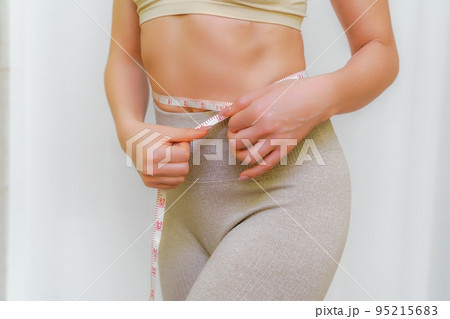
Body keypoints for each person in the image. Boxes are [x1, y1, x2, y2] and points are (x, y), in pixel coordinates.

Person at [104, 0, 399, 300]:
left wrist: (319, 97)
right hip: (182, 202)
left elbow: (379, 47)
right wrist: (129, 131)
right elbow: (125, 53)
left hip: (284, 190)